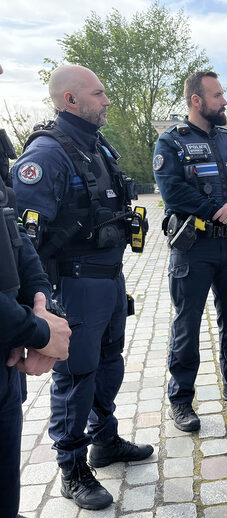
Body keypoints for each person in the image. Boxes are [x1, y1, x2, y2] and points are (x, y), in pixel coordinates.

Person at [12, 64, 153, 510]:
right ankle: (72, 466)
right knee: (75, 375)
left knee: (108, 364)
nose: (107, 99)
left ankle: (104, 441)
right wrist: (42, 305)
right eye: (99, 93)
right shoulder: (48, 155)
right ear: (70, 100)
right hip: (75, 286)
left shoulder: (96, 147)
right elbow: (23, 238)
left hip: (109, 280)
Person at [154, 71, 227, 433]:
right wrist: (221, 211)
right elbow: (173, 193)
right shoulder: (171, 142)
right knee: (187, 326)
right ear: (196, 101)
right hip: (194, 249)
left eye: (223, 94)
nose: (224, 101)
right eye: (218, 95)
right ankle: (181, 400)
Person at [0, 62, 71, 518]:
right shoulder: (45, 152)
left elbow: (16, 232)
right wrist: (38, 331)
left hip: (5, 358)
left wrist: (43, 306)